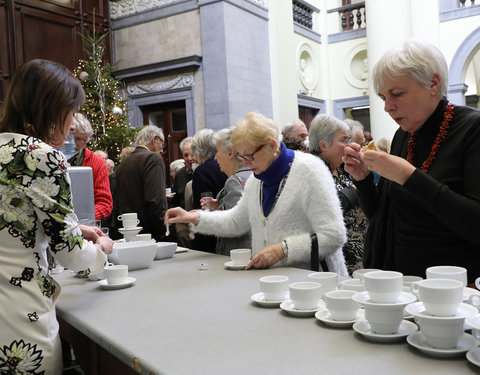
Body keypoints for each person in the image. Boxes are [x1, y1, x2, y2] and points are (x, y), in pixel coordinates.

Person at [0, 59, 113, 374]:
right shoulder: (41, 156)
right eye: (71, 111)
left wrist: (75, 228)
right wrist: (102, 251)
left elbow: (15, 225)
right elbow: (72, 255)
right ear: (50, 110)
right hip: (20, 322)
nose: (74, 123)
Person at [343, 39, 480, 283]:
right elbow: (381, 216)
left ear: (433, 84)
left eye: (396, 94)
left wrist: (410, 176)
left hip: (453, 292)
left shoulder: (472, 129)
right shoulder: (404, 136)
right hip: (402, 285)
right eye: (383, 97)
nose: (387, 107)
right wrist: (363, 179)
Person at [166, 112, 347, 274]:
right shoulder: (256, 180)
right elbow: (236, 221)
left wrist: (283, 250)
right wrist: (196, 218)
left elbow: (334, 235)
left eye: (249, 155)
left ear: (272, 145)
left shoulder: (309, 170)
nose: (244, 163)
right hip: (275, 286)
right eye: (241, 155)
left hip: (315, 287)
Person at [309, 114, 367, 275]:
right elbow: (321, 210)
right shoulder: (312, 171)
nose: (349, 146)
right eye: (344, 140)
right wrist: (354, 191)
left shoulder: (343, 169)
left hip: (361, 255)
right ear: (323, 145)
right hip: (338, 261)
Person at [199, 127, 252, 255]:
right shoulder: (253, 175)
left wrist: (197, 218)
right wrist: (220, 206)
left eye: (217, 151)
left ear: (230, 153)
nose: (215, 158)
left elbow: (236, 225)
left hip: (238, 256)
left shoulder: (234, 181)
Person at [114, 125, 168, 242]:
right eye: (162, 144)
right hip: (150, 232)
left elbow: (118, 201)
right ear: (154, 139)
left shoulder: (123, 164)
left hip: (129, 231)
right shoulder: (153, 158)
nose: (162, 150)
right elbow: (155, 199)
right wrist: (164, 229)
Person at [68, 113, 113, 221]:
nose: (74, 143)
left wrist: (82, 218)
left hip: (86, 225)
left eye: (79, 139)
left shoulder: (97, 163)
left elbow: (105, 203)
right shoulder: (52, 158)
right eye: (70, 137)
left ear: (87, 139)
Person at [190, 129, 228, 252]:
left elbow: (202, 209)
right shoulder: (226, 165)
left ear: (199, 150)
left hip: (210, 236)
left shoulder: (202, 172)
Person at [172, 137, 195, 247]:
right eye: (186, 155)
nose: (190, 158)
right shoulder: (180, 174)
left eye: (192, 154)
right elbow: (176, 200)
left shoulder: (204, 171)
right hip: (184, 222)